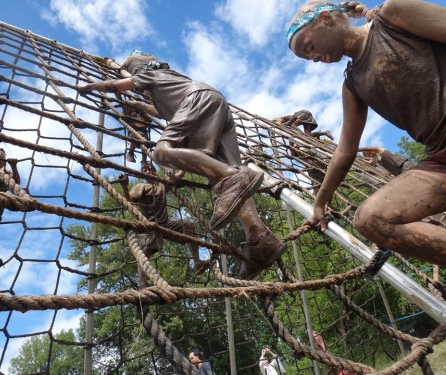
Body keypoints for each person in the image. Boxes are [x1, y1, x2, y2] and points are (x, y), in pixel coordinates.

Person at [77, 51, 286, 279]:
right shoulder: (172, 81)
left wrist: (90, 87)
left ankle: (229, 176)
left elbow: (118, 86)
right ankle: (260, 240)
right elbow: (159, 110)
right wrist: (140, 104)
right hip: (217, 103)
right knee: (233, 182)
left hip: (196, 100)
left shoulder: (149, 74)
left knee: (162, 151)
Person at [287, 0, 446, 266]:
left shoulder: (391, 18)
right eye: (307, 58)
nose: (312, 58)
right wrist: (320, 201)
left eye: (309, 47)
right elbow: (345, 152)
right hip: (439, 157)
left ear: (325, 19)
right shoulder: (352, 85)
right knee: (371, 219)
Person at [118, 163, 209, 286]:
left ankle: (197, 262)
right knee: (144, 252)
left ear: (155, 172)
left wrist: (185, 163)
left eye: (149, 169)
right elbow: (128, 201)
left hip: (165, 222)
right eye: (143, 170)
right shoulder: (140, 187)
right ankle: (143, 284)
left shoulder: (161, 184)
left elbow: (179, 174)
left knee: (189, 226)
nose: (146, 171)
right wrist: (124, 186)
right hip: (148, 225)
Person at [273, 110, 333, 195]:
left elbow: (292, 135)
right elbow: (294, 136)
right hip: (306, 115)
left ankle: (323, 133)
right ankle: (324, 132)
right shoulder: (291, 125)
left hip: (304, 114)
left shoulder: (287, 118)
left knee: (292, 126)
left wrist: (291, 149)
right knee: (307, 135)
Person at [122, 99, 151, 165]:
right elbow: (125, 114)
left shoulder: (141, 113)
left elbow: (149, 120)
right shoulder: (129, 112)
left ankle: (144, 160)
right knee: (136, 138)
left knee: (144, 142)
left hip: (143, 132)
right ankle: (131, 152)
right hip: (134, 131)